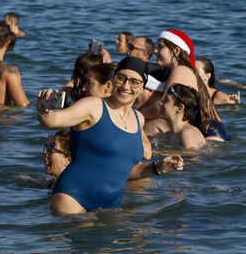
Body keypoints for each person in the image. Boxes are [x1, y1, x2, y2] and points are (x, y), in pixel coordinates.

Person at [37, 57, 183, 214]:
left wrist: (158, 167)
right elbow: (53, 121)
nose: (126, 86)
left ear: (142, 88)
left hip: (111, 205)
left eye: (134, 82)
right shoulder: (93, 106)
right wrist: (44, 109)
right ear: (113, 81)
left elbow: (122, 169)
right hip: (72, 198)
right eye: (121, 78)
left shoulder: (138, 118)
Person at [145, 30, 229, 141]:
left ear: (176, 51)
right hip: (213, 133)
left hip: (210, 134)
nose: (155, 50)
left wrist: (135, 114)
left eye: (160, 47)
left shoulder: (180, 70)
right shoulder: (187, 70)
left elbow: (161, 106)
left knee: (153, 125)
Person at [145, 85, 207, 150]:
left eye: (166, 100)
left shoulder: (188, 132)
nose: (160, 103)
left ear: (180, 108)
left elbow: (193, 157)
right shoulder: (168, 135)